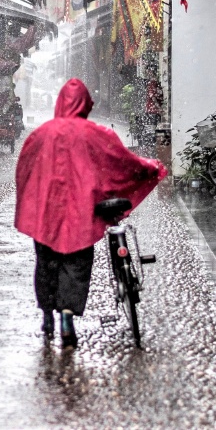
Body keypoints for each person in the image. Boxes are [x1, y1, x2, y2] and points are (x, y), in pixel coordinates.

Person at [15, 78, 166, 348]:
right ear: (86, 104)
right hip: (80, 215)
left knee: (47, 264)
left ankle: (48, 316)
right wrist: (149, 168)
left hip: (46, 214)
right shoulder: (96, 134)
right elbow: (122, 161)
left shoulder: (41, 135)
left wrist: (33, 201)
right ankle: (67, 319)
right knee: (76, 265)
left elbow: (25, 171)